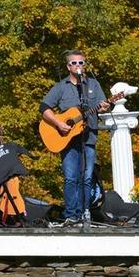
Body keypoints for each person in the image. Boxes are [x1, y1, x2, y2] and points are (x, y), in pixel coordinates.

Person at [39, 49, 111, 225]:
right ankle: (71, 214)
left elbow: (103, 105)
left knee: (86, 177)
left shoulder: (93, 85)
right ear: (68, 66)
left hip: (89, 137)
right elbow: (44, 108)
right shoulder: (61, 87)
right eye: (74, 63)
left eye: (81, 62)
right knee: (71, 177)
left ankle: (84, 213)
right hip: (67, 139)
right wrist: (58, 123)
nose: (78, 65)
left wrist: (104, 107)